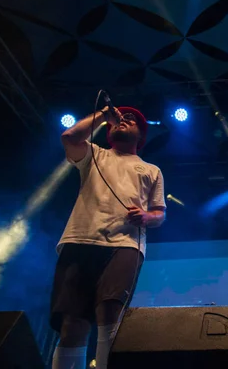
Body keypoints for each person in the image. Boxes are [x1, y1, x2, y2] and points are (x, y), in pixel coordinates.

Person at [50, 105, 166, 369]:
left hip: (124, 244)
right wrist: (103, 115)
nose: (124, 119)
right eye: (120, 118)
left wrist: (147, 217)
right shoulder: (94, 153)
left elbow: (159, 214)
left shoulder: (151, 170)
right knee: (71, 324)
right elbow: (69, 137)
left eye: (132, 119)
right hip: (80, 240)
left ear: (141, 135)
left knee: (109, 314)